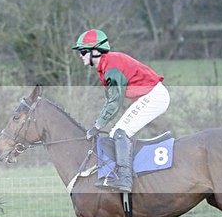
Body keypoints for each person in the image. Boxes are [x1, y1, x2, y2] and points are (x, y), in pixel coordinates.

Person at [72, 29, 170, 192]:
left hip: (155, 96)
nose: (80, 55)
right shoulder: (106, 65)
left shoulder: (111, 67)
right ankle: (123, 174)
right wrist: (99, 123)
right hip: (152, 95)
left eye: (83, 51)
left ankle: (125, 179)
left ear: (95, 51)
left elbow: (114, 103)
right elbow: (111, 100)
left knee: (119, 131)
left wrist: (97, 126)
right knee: (115, 133)